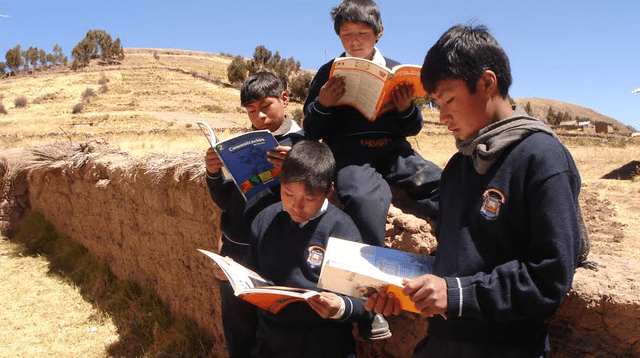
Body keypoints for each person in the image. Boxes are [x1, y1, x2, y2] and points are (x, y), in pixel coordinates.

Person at [365, 24, 584, 358]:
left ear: (486, 83)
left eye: (448, 99)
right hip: (441, 343)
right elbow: (457, 262)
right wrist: (404, 294)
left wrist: (457, 295)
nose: (443, 117)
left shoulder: (541, 156)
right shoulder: (458, 168)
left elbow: (548, 277)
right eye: (436, 104)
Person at [303, 0, 442, 248]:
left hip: (394, 151)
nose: (354, 41)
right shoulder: (328, 72)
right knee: (363, 198)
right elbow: (312, 130)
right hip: (350, 153)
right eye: (346, 35)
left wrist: (405, 108)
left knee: (440, 182)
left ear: (378, 33)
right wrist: (323, 104)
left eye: (362, 34)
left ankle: (451, 245)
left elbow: (413, 128)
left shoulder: (396, 70)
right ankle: (373, 265)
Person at [244, 140, 385, 358]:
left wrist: (340, 306)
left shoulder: (340, 230)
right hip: (271, 341)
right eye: (288, 194)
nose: (295, 206)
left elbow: (363, 300)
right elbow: (251, 276)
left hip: (325, 343)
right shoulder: (265, 220)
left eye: (309, 199)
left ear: (329, 190)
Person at [204, 71, 304, 358]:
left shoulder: (305, 143)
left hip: (279, 254)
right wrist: (213, 173)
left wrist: (296, 167)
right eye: (251, 110)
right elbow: (226, 200)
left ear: (285, 99)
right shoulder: (242, 147)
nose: (258, 116)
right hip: (236, 255)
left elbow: (317, 196)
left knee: (275, 332)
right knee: (239, 329)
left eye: (265, 106)